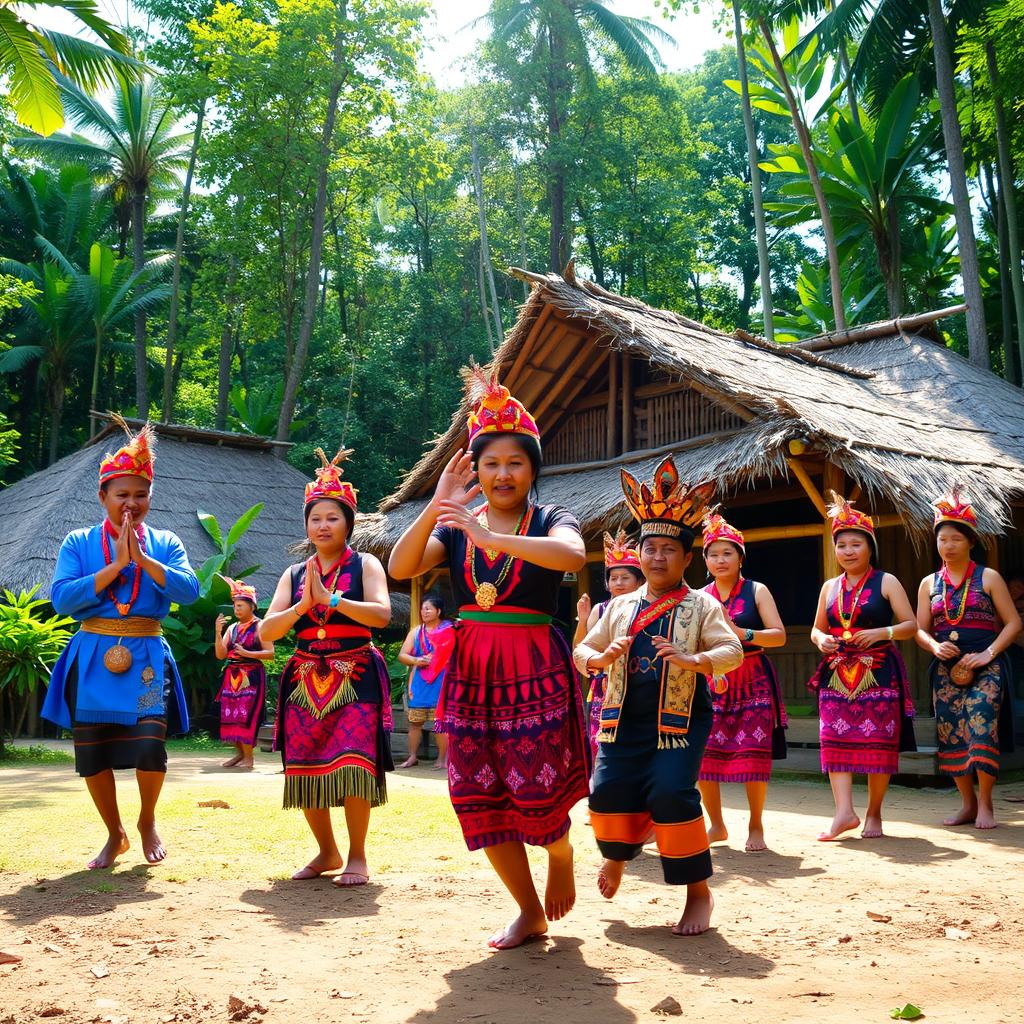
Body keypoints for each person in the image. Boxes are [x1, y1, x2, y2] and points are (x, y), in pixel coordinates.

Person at [388, 364, 590, 951]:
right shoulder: (454, 527)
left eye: (516, 462)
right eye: (491, 463)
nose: (503, 473)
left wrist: (495, 540)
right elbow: (402, 569)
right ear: (475, 469)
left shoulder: (552, 518)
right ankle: (528, 911)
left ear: (532, 470)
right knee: (476, 793)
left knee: (537, 786)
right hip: (472, 672)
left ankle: (560, 850)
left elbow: (573, 557)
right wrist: (435, 506)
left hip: (534, 666)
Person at [574, 458, 742, 936]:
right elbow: (581, 648)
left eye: (669, 549)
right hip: (621, 719)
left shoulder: (702, 604)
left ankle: (698, 894)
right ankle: (618, 859)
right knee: (606, 795)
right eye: (650, 548)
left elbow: (732, 649)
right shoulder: (619, 605)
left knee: (672, 794)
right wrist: (600, 658)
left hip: (681, 722)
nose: (657, 557)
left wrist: (694, 662)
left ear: (687, 558)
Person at [42, 416, 199, 869]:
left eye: (141, 494)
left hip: (148, 654)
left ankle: (147, 820)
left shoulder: (167, 542)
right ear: (103, 497)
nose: (132, 503)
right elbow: (63, 599)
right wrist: (115, 568)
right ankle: (114, 834)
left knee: (150, 743)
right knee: (93, 754)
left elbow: (189, 592)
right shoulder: (79, 541)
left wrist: (144, 561)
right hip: (92, 657)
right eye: (122, 494)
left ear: (150, 497)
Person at [260, 447, 392, 885]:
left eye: (332, 517)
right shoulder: (294, 574)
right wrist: (303, 605)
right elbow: (266, 633)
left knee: (354, 763)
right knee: (303, 765)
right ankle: (326, 851)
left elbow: (381, 615)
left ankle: (357, 855)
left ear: (348, 524)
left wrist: (333, 600)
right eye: (315, 518)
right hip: (304, 678)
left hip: (355, 675)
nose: (322, 525)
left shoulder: (366, 564)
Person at [808, 492, 917, 842]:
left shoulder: (886, 581)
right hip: (837, 672)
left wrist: (881, 632)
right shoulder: (829, 586)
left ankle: (873, 813)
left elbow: (911, 625)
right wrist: (819, 640)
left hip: (878, 671)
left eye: (856, 544)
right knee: (833, 736)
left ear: (870, 547)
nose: (848, 551)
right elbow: (816, 629)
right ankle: (843, 812)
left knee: (877, 742)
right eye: (841, 545)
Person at [914, 486, 1020, 829]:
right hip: (945, 669)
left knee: (981, 726)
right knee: (951, 733)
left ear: (970, 542)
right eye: (942, 539)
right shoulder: (928, 583)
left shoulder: (988, 577)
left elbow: (1014, 622)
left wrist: (988, 653)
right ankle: (967, 804)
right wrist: (933, 646)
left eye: (956, 538)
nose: (948, 545)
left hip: (987, 665)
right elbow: (919, 629)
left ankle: (987, 804)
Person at [697, 511, 787, 853]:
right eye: (713, 554)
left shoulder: (756, 590)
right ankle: (716, 825)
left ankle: (755, 824)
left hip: (752, 679)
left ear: (740, 557)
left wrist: (743, 633)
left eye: (727, 553)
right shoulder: (699, 595)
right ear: (704, 559)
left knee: (753, 754)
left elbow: (778, 636)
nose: (720, 560)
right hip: (711, 681)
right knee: (704, 756)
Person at [573, 530, 644, 764]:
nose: (618, 583)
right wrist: (582, 620)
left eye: (625, 577)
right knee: (600, 745)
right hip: (604, 687)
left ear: (640, 581)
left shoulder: (647, 610)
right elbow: (581, 650)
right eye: (613, 578)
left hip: (638, 685)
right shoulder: (600, 610)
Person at [214, 576, 274, 769]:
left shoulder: (261, 626)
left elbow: (270, 653)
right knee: (230, 715)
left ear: (252, 606)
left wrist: (248, 653)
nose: (236, 609)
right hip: (232, 677)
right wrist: (217, 632)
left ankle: (249, 758)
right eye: (235, 606)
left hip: (252, 677)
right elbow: (220, 654)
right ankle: (240, 755)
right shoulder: (232, 628)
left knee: (245, 715)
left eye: (240, 606)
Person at [396, 593, 454, 770]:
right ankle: (412, 756)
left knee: (440, 722)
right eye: (422, 608)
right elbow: (402, 655)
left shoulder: (449, 630)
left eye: (428, 608)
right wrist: (416, 660)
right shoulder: (416, 631)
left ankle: (443, 759)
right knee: (414, 722)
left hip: (443, 681)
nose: (424, 611)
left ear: (439, 611)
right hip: (420, 683)